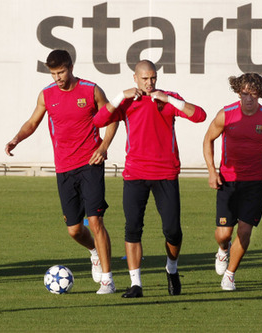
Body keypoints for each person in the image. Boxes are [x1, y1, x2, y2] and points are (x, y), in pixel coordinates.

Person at [5, 49, 118, 294]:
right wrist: (16, 139)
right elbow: (32, 122)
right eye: (53, 73)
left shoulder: (91, 90)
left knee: (96, 220)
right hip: (64, 168)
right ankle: (94, 253)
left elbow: (112, 117)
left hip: (90, 164)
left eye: (61, 72)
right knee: (74, 230)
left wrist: (104, 146)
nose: (57, 77)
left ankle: (108, 279)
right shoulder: (46, 95)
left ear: (71, 67)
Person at [93, 60, 206, 298]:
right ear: (135, 78)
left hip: (165, 173)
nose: (149, 82)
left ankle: (172, 269)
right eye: (144, 78)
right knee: (132, 229)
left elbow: (200, 116)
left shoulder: (168, 98)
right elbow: (98, 121)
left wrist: (169, 99)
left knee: (173, 231)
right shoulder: (127, 101)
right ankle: (136, 284)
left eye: (153, 77)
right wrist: (118, 97)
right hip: (135, 174)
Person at [203, 73, 262, 291]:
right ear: (238, 92)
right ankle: (222, 250)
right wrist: (212, 171)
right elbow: (208, 139)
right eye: (244, 93)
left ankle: (230, 274)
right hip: (229, 181)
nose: (248, 98)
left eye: (253, 94)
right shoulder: (226, 114)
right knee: (224, 233)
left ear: (261, 94)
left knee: (245, 231)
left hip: (257, 182)